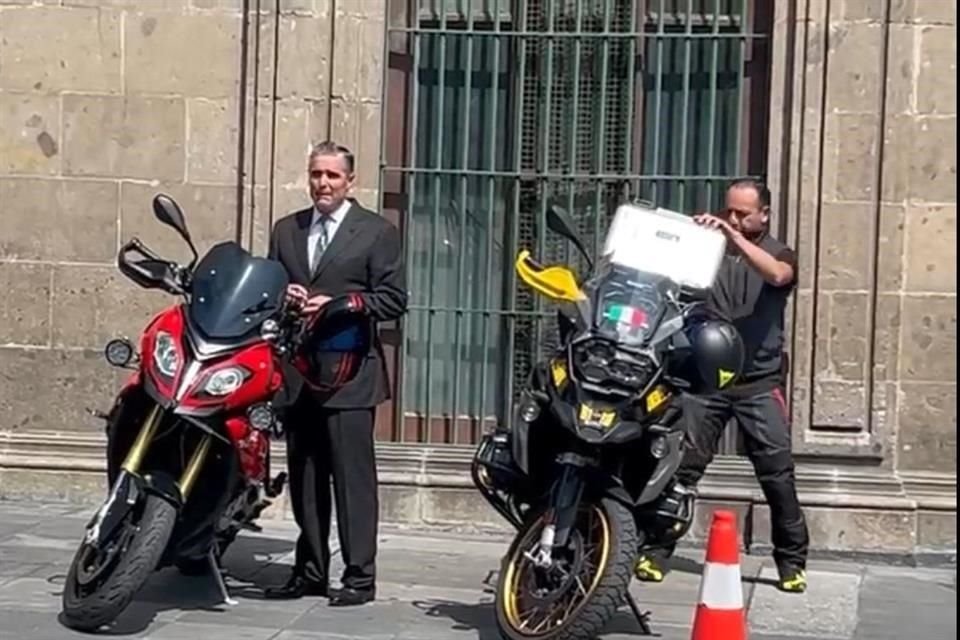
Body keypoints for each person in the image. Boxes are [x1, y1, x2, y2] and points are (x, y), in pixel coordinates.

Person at [634, 178, 810, 593]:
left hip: (758, 382)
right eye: (729, 211)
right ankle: (656, 551)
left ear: (763, 214)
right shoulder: (705, 250)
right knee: (681, 468)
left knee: (777, 474)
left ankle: (791, 563)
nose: (732, 219)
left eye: (743, 213)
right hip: (706, 378)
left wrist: (733, 236)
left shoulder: (777, 253)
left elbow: (779, 275)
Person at [263, 140, 407, 606]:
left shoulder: (376, 232)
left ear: (351, 181)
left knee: (352, 480)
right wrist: (283, 295)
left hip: (349, 374)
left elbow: (394, 299)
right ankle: (310, 572)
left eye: (332, 176)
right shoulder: (287, 230)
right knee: (306, 477)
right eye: (316, 175)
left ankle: (359, 578)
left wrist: (345, 303)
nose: (323, 184)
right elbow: (269, 286)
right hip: (299, 374)